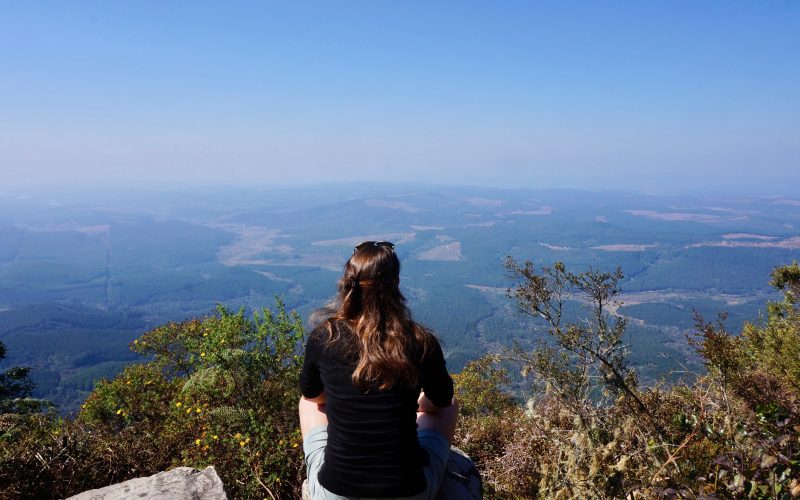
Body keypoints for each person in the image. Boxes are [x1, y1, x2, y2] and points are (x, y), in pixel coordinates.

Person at [299, 241, 458, 500]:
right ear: (395, 284)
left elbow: (313, 396)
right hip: (409, 492)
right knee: (450, 405)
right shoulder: (419, 341)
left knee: (308, 403)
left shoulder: (324, 337)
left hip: (335, 492)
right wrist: (422, 405)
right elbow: (441, 401)